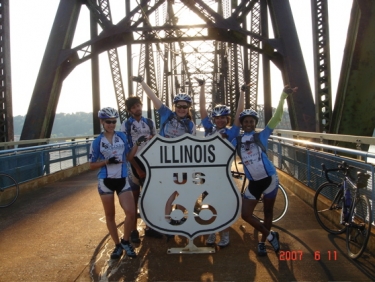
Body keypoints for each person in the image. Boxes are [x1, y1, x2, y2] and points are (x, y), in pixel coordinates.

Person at [232, 86, 297, 256]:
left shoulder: (261, 136)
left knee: (268, 212)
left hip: (269, 179)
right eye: (245, 121)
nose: (248, 124)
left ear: (255, 123)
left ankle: (262, 242)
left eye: (251, 121)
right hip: (254, 182)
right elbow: (221, 150)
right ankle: (270, 235)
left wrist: (283, 96)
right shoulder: (236, 141)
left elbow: (277, 117)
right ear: (242, 124)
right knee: (245, 214)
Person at [131, 75, 195, 227]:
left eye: (184, 107)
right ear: (174, 107)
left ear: (188, 108)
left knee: (182, 191)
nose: (181, 109)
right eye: (178, 106)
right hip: (164, 161)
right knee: (168, 193)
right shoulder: (167, 114)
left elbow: (191, 145)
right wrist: (142, 82)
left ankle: (178, 218)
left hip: (180, 163)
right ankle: (166, 220)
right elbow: (154, 98)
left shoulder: (190, 125)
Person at [196, 77, 244, 247]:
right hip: (208, 175)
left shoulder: (232, 133)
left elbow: (240, 114)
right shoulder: (209, 130)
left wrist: (242, 92)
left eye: (223, 118)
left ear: (227, 119)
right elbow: (202, 110)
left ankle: (224, 234)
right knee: (208, 204)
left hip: (224, 175)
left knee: (222, 205)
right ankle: (210, 233)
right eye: (217, 118)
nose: (220, 120)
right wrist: (202, 88)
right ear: (214, 119)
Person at [89, 107, 137, 260]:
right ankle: (117, 246)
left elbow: (129, 156)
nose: (111, 124)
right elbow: (91, 165)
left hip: (122, 179)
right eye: (108, 121)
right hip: (106, 181)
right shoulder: (97, 142)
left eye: (114, 121)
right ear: (102, 122)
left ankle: (125, 241)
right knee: (110, 216)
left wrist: (138, 144)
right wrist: (107, 162)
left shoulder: (122, 136)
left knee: (131, 212)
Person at [121, 96, 163, 241]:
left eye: (138, 105)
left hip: (148, 161)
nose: (137, 108)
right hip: (134, 163)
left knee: (149, 198)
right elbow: (126, 151)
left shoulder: (149, 122)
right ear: (129, 110)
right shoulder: (126, 125)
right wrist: (138, 169)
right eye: (133, 107)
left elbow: (157, 142)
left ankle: (150, 227)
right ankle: (133, 231)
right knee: (134, 198)